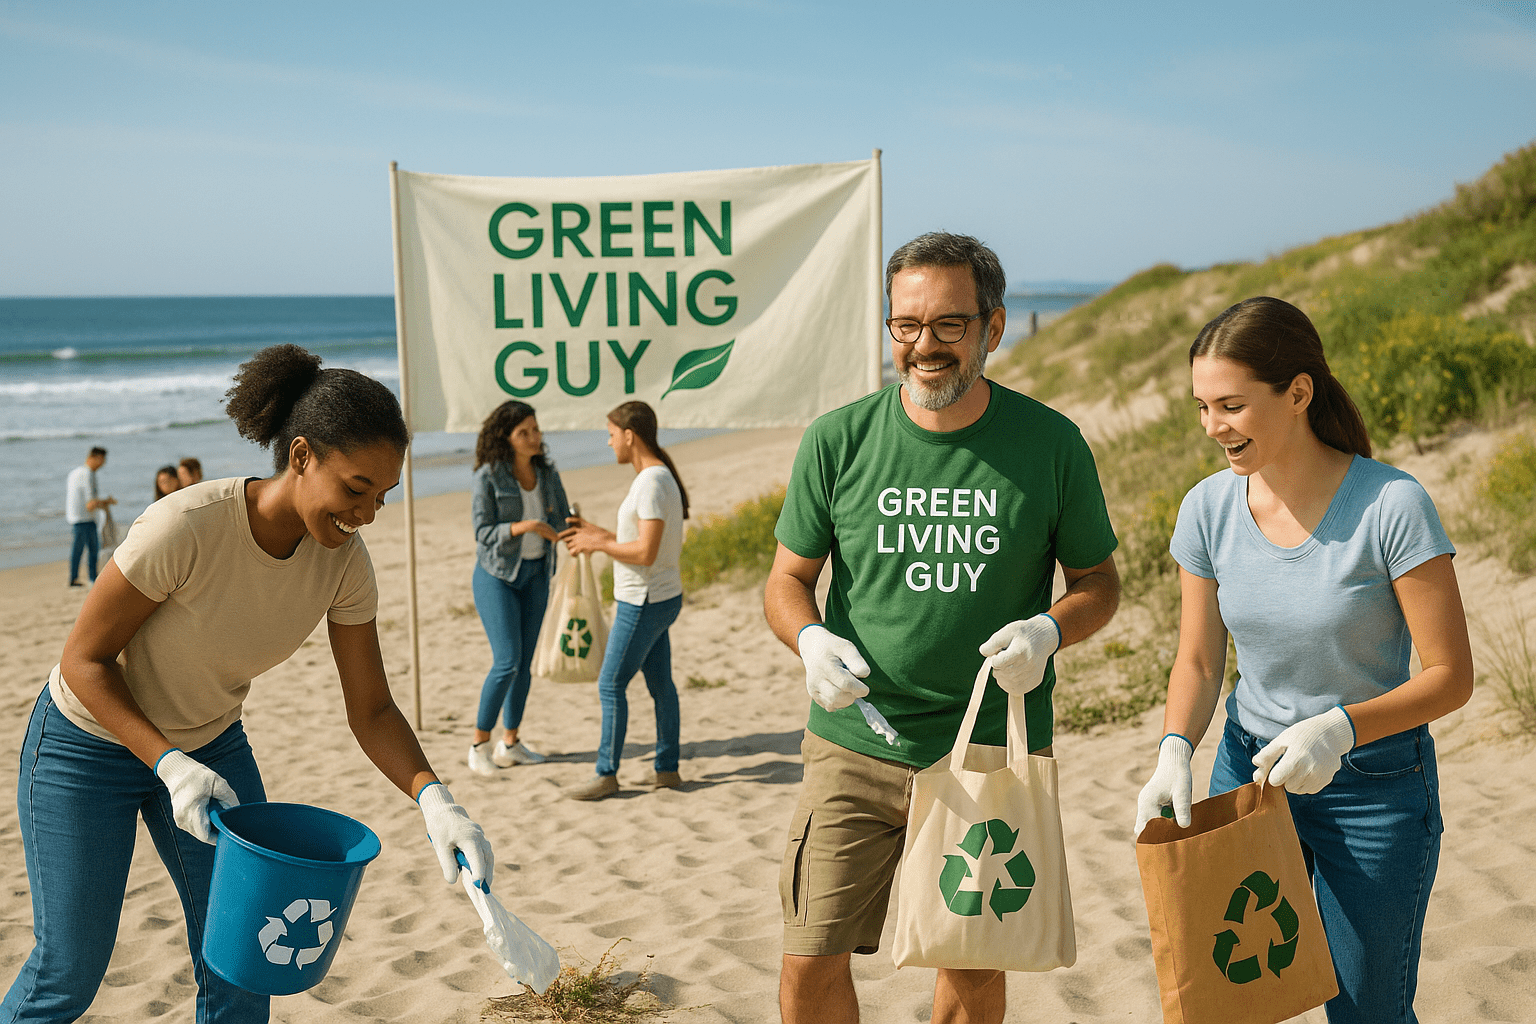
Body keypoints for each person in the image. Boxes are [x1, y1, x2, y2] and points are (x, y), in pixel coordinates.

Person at [4, 345, 495, 1024]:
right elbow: (85, 660)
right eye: (355, 490)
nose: (368, 515)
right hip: (85, 746)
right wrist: (168, 763)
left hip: (209, 746)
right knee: (71, 970)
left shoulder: (345, 567)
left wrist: (437, 801)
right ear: (300, 457)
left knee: (243, 964)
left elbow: (373, 708)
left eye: (382, 497)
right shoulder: (186, 526)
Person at [764, 232, 1121, 1024]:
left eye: (948, 326)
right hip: (853, 741)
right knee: (807, 962)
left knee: (969, 973)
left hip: (988, 750)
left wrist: (1049, 632)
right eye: (905, 326)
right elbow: (787, 579)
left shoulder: (1050, 444)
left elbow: (1098, 584)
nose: (924, 347)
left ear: (993, 329)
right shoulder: (838, 440)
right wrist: (809, 639)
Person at [1134, 296, 1473, 1024]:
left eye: (1231, 405)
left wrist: (1339, 729)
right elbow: (1197, 660)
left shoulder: (1392, 505)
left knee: (1365, 1010)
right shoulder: (1206, 509)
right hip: (1247, 776)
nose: (1212, 428)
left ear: (1297, 393)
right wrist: (1172, 749)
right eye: (1201, 406)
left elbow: (1451, 676)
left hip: (1372, 788)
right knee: (1231, 1001)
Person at [562, 401, 689, 801]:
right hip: (661, 596)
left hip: (645, 600)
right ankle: (666, 769)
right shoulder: (657, 477)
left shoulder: (652, 481)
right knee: (660, 685)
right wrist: (596, 533)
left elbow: (645, 553)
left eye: (612, 433)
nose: (609, 440)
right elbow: (639, 539)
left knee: (610, 684)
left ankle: (606, 774)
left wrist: (600, 545)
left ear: (630, 435)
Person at [466, 400, 570, 774]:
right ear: (506, 438)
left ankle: (510, 743)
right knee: (507, 661)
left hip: (537, 574)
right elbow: (482, 533)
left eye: (536, 429)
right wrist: (525, 526)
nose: (534, 437)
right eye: (524, 432)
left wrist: (578, 528)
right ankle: (479, 745)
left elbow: (562, 518)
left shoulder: (547, 472)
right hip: (497, 576)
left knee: (524, 665)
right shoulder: (488, 476)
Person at [64, 446, 115, 587]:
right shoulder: (86, 474)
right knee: (91, 550)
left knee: (80, 550)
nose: (103, 464)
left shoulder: (75, 473)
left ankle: (76, 578)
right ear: (96, 458)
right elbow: (90, 504)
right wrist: (106, 502)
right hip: (83, 518)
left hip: (77, 517)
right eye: (102, 460)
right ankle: (90, 579)